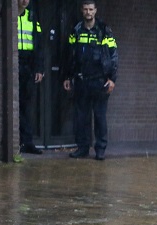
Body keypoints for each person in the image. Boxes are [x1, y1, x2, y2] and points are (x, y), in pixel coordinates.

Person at [63, 0, 118, 160]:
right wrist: (67, 76)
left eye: (91, 9)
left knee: (100, 117)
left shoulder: (104, 30)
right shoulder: (76, 30)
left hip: (100, 81)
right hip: (81, 80)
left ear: (95, 11)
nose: (88, 12)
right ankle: (83, 148)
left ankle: (100, 150)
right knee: (82, 117)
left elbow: (113, 54)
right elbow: (69, 55)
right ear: (82, 11)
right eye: (86, 9)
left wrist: (112, 79)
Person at [17, 0, 44, 154]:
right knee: (16, 105)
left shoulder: (32, 17)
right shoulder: (10, 16)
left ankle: (27, 142)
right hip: (14, 62)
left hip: (28, 65)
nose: (24, 1)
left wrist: (39, 69)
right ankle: (18, 140)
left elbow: (39, 45)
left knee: (27, 105)